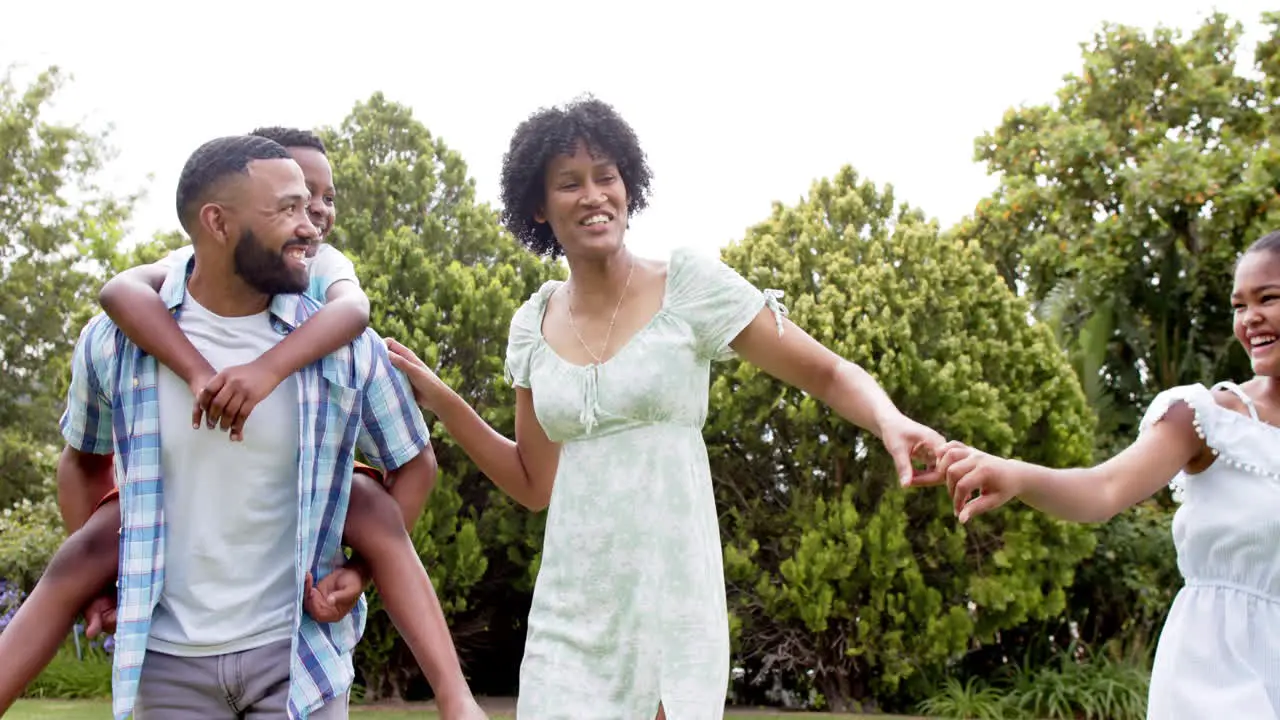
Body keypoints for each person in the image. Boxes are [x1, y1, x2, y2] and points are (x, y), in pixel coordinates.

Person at [383, 97, 947, 720]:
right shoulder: (532, 324)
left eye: (607, 176)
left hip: (670, 608)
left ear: (629, 184)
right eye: (570, 183)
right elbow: (532, 483)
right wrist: (442, 399)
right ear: (539, 208)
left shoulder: (688, 286)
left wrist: (888, 418)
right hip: (569, 615)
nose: (595, 195)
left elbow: (828, 371)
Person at [0, 128, 486, 719]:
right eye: (288, 209)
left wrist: (358, 572)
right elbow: (81, 462)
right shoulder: (115, 344)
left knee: (363, 497)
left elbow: (413, 461)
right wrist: (106, 582)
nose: (311, 225)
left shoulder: (341, 344)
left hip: (296, 661)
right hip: (169, 663)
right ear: (218, 222)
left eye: (311, 205)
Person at [936, 230, 1280, 718]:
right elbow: (1105, 489)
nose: (1250, 319)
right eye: (1239, 305)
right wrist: (1016, 474)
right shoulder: (1206, 416)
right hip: (1216, 676)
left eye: (1268, 298)